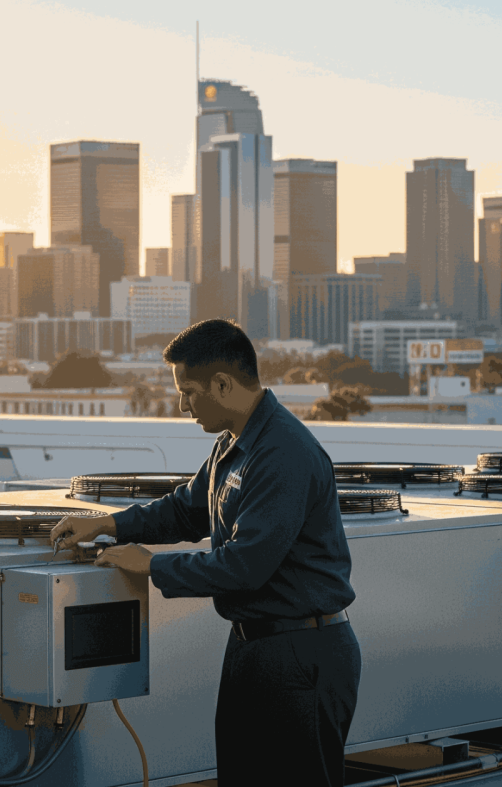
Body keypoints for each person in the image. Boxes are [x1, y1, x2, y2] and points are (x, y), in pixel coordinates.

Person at [49, 319, 361, 785]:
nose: (182, 405)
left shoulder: (283, 453)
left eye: (189, 392)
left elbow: (245, 564)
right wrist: (110, 525)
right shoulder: (234, 443)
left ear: (222, 383)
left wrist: (152, 565)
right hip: (254, 646)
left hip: (300, 652)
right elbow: (185, 509)